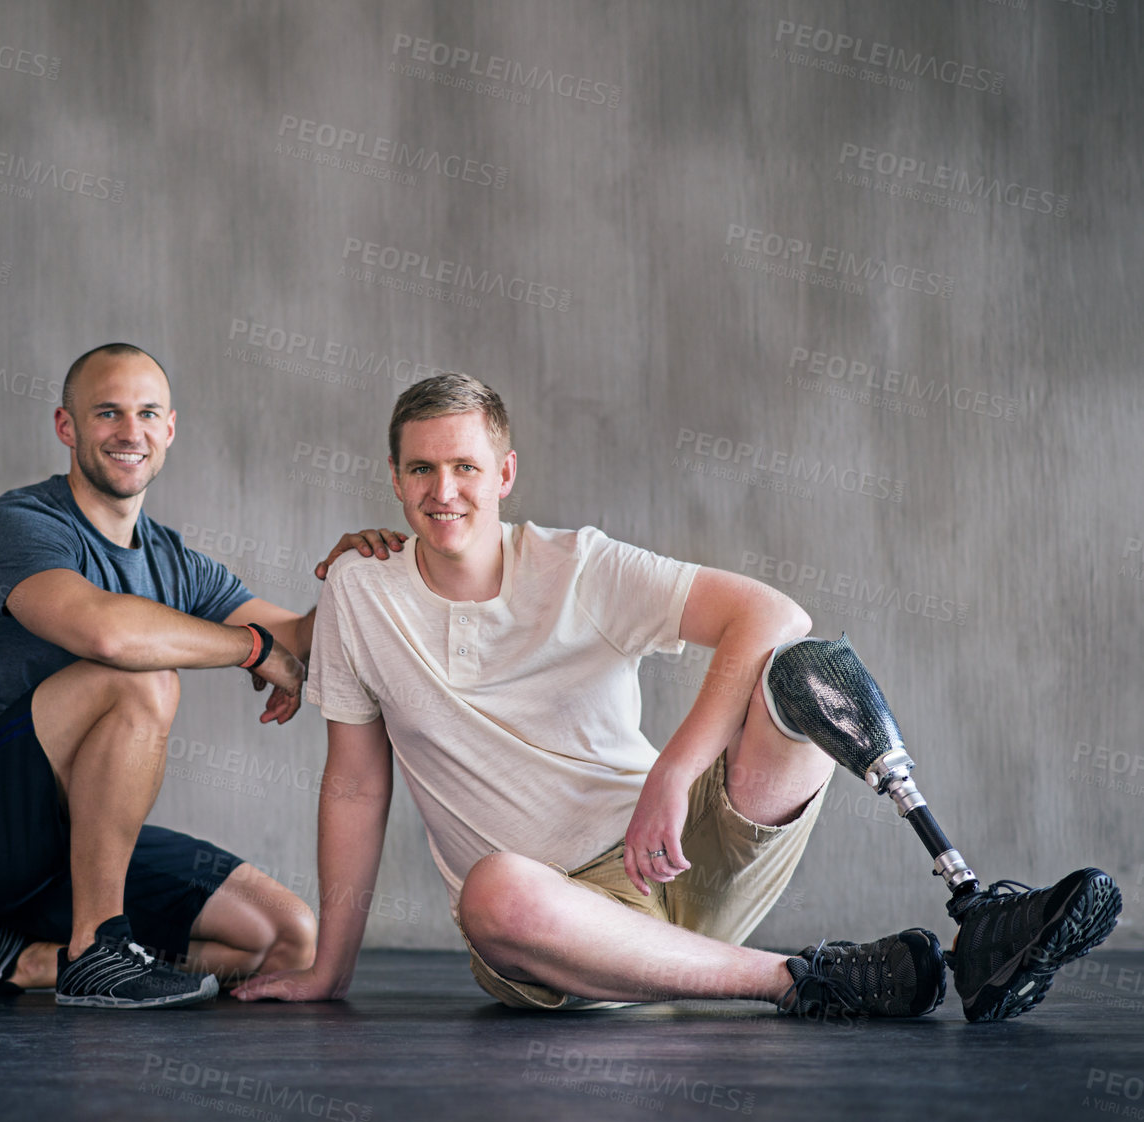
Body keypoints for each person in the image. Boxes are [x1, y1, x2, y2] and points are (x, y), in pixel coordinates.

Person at [235, 372, 1121, 1022]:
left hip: (681, 849)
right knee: (494, 891)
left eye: (464, 467)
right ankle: (803, 978)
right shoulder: (360, 590)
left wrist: (673, 771)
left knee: (805, 665)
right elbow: (355, 783)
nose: (442, 492)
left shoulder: (577, 563)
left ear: (504, 473)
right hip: (554, 922)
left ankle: (976, 911)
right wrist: (329, 970)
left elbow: (772, 612)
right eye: (421, 470)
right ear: (393, 478)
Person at [0, 342, 405, 1009]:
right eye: (107, 413)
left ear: (169, 430)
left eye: (146, 413)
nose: (130, 431)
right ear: (66, 427)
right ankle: (97, 950)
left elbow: (304, 639)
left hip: (67, 847)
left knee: (283, 938)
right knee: (140, 678)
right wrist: (251, 649)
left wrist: (364, 573)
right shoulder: (20, 525)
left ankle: (29, 959)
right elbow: (106, 631)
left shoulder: (173, 561)